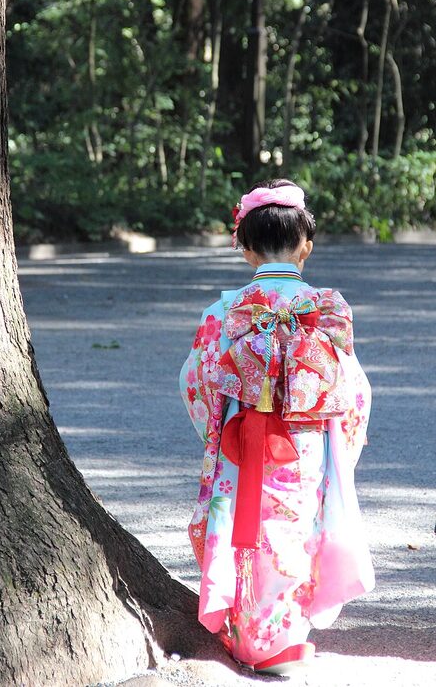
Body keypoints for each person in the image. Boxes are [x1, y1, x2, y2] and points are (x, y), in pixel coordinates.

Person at [179, 179, 374, 676]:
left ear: (244, 250)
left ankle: (250, 636)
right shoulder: (327, 308)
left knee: (244, 527)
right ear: (306, 246)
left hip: (241, 440)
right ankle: (288, 636)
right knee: (297, 528)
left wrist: (214, 430)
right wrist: (343, 442)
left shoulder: (224, 312)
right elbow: (353, 389)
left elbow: (196, 380)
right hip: (307, 444)